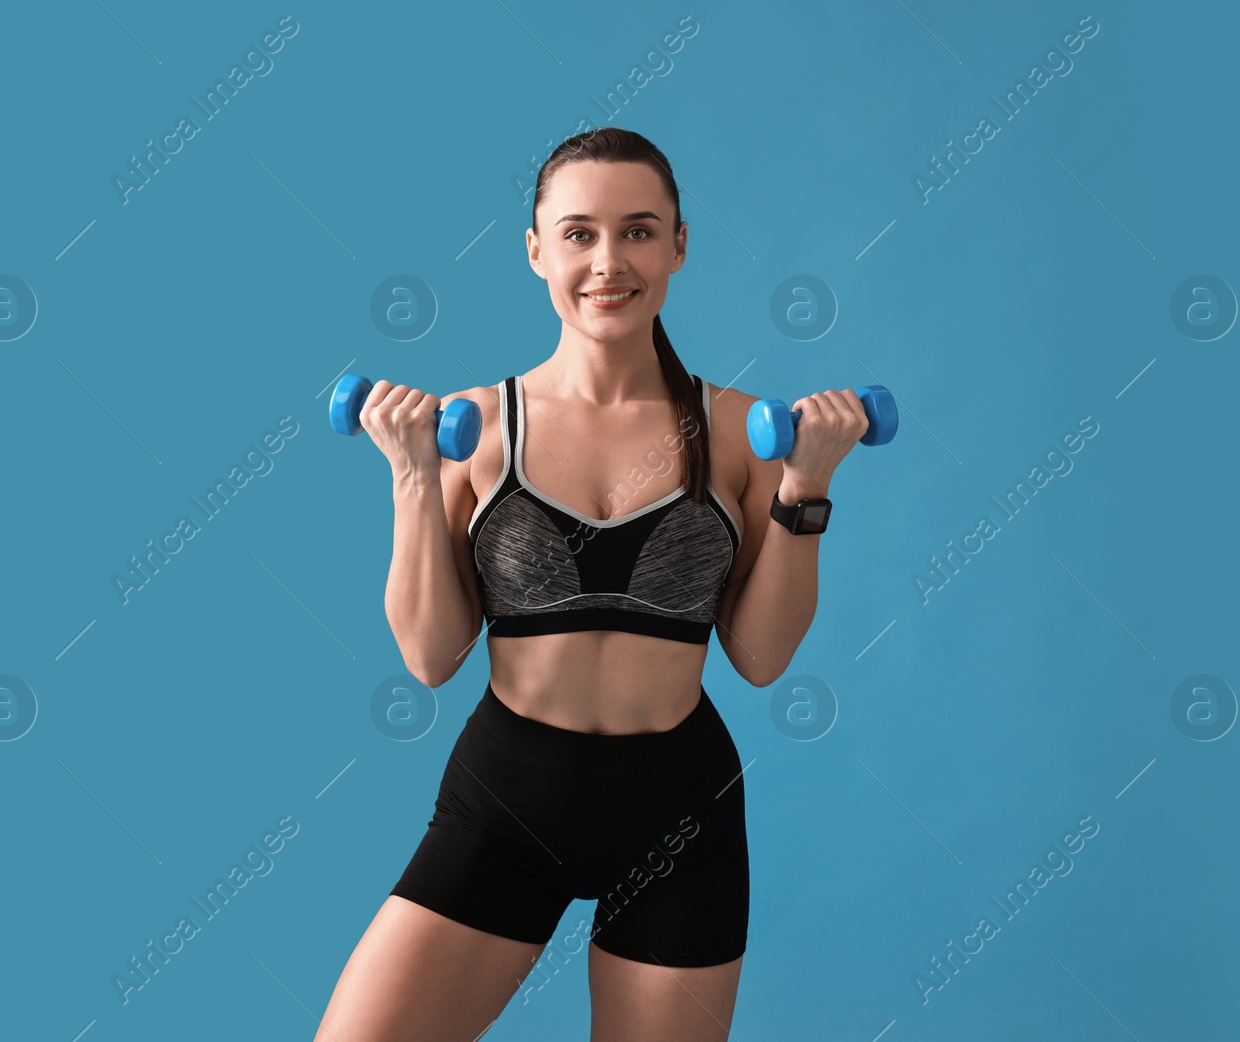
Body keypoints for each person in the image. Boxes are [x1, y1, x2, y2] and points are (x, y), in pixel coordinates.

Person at [312, 127, 868, 1041]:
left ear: (679, 246)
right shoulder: (475, 428)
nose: (608, 261)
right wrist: (415, 478)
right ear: (536, 251)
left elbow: (762, 658)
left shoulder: (739, 434)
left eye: (639, 231)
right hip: (507, 806)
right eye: (578, 234)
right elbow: (429, 656)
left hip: (682, 814)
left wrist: (806, 490)